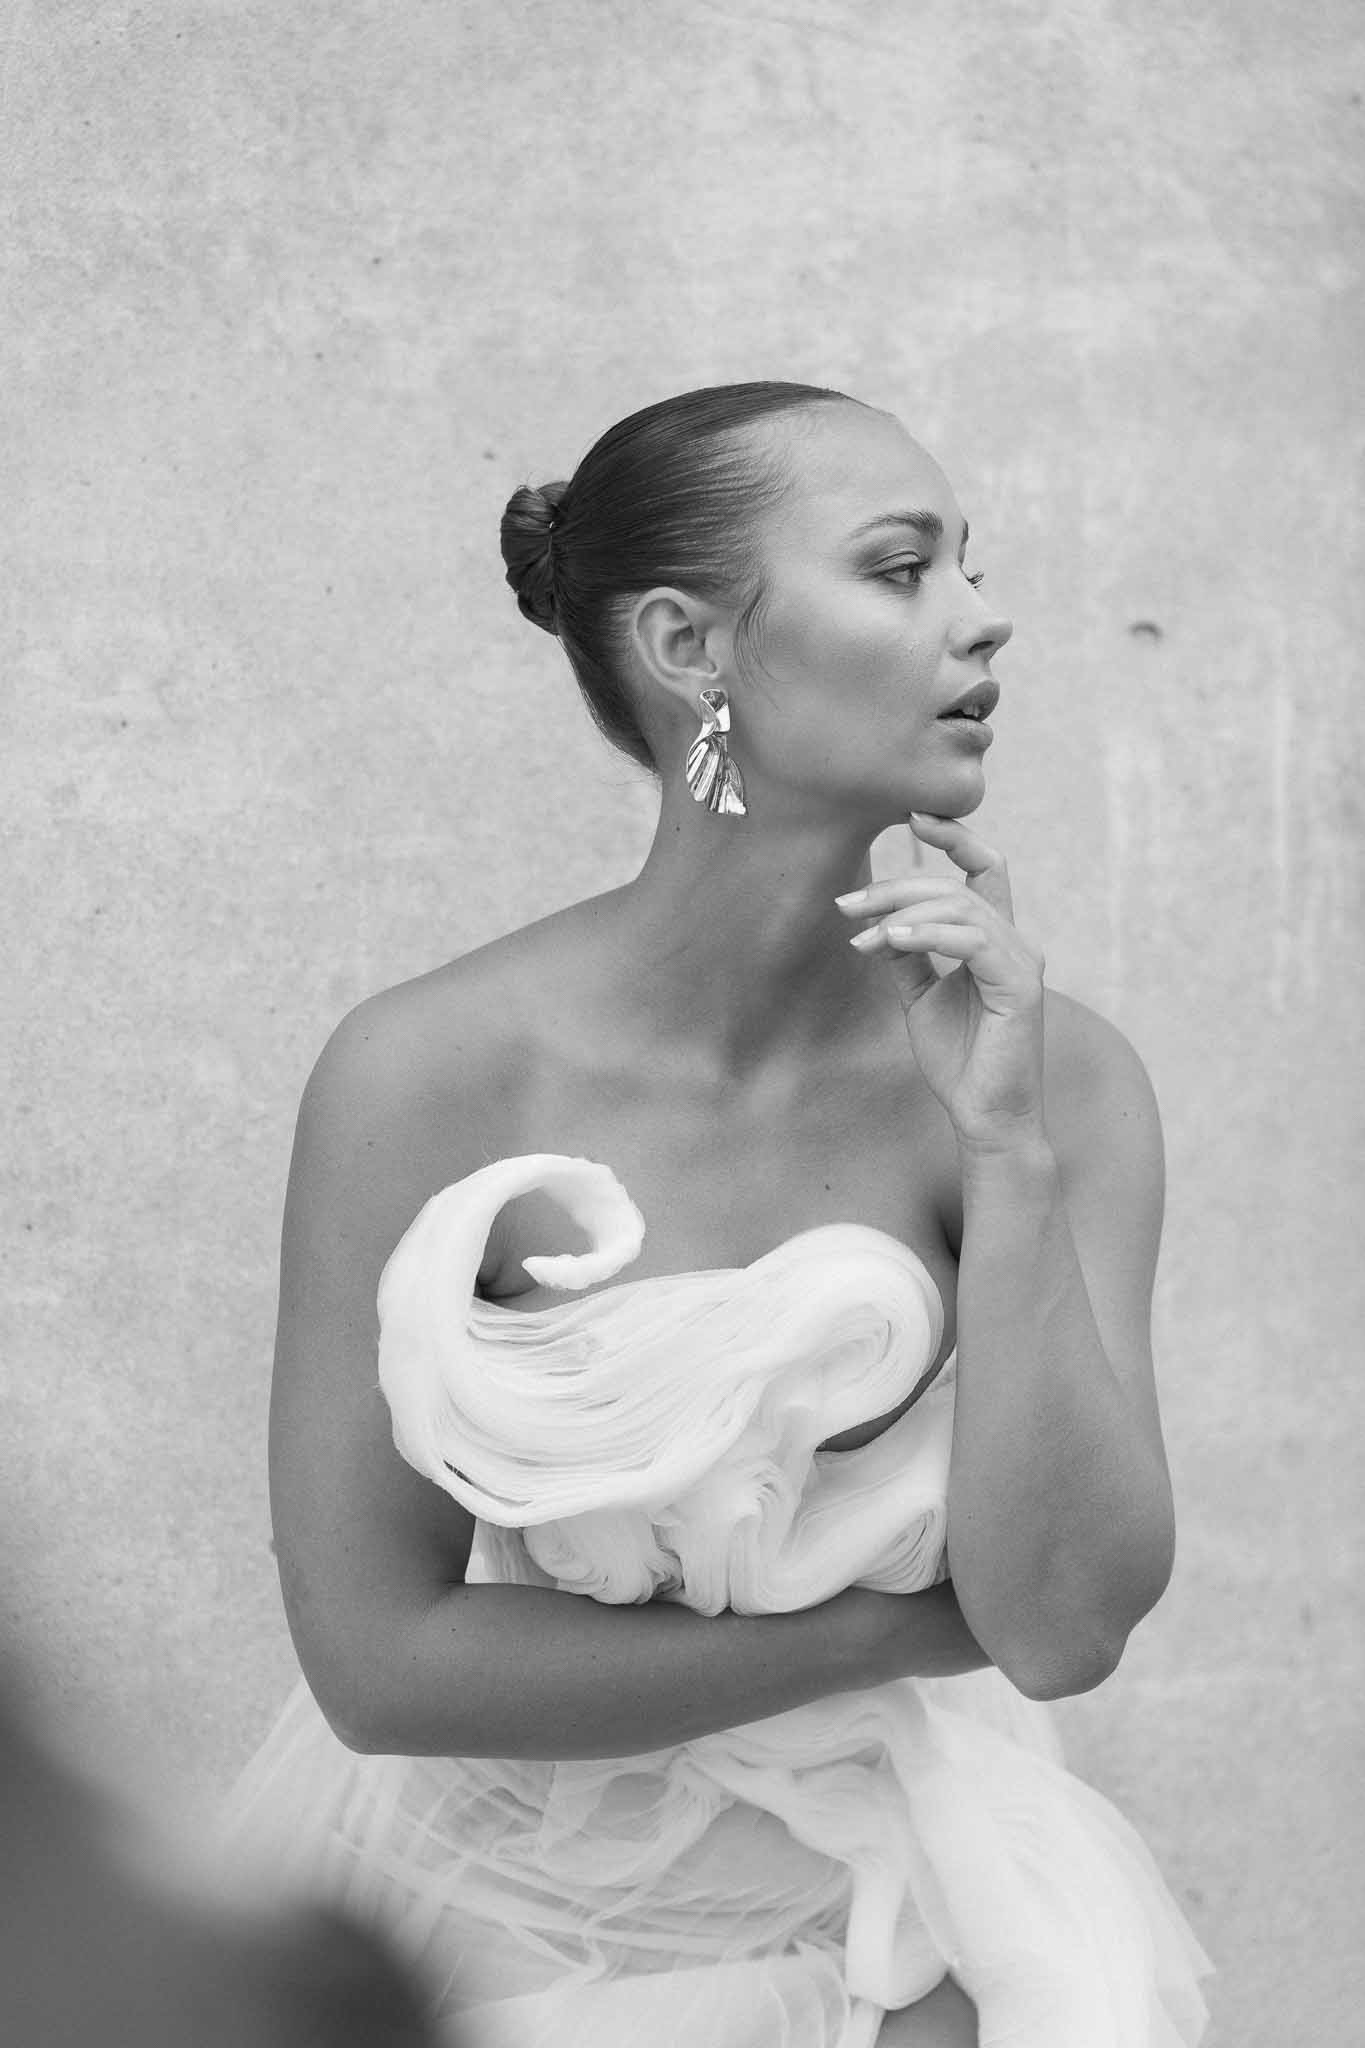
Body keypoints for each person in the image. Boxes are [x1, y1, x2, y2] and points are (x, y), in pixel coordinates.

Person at [219, 382, 1214, 2046]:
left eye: (968, 565)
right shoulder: (428, 1073)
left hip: (910, 1921)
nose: (982, 617)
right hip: (488, 1940)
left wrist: (1004, 1151)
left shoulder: (1059, 1082)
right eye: (898, 569)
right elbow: (379, 1667)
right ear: (689, 646)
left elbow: (1060, 1630)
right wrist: (903, 1628)